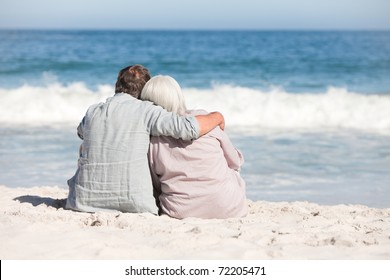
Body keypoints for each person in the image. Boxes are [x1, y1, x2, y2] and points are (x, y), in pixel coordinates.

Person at [66, 65, 225, 214]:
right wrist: (217, 116)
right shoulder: (147, 110)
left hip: (81, 202)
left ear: (117, 85)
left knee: (85, 146)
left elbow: (82, 133)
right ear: (144, 91)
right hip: (134, 204)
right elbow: (188, 128)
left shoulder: (93, 110)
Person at [140, 75, 248, 219]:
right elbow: (235, 161)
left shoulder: (153, 141)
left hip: (180, 212)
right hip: (230, 210)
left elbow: (156, 184)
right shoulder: (205, 121)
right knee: (233, 171)